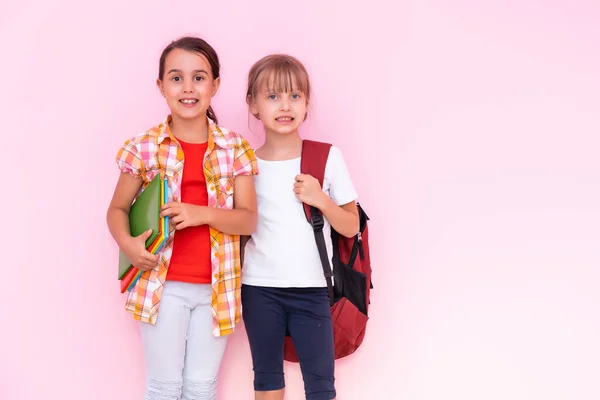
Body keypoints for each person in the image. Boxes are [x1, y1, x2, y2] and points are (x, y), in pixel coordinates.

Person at [106, 36, 258, 400]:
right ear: (161, 86)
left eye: (199, 78)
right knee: (164, 386)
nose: (188, 88)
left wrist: (199, 214)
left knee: (202, 387)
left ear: (216, 86)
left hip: (218, 288)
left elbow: (248, 220)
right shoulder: (143, 147)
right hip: (162, 285)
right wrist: (127, 243)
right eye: (176, 78)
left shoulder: (235, 148)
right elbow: (117, 210)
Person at [241, 54, 359, 400]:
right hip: (259, 288)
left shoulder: (327, 157)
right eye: (273, 96)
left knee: (321, 387)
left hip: (312, 289)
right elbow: (240, 226)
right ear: (253, 104)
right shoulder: (245, 162)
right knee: (266, 381)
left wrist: (320, 199)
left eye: (295, 96)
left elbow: (350, 227)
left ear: (306, 104)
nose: (285, 106)